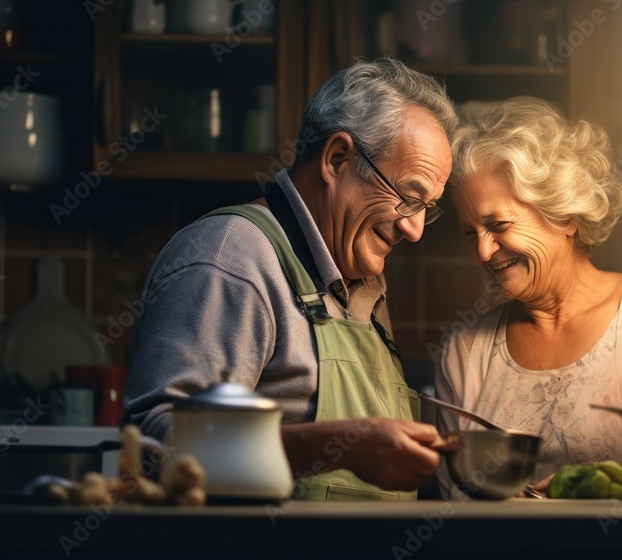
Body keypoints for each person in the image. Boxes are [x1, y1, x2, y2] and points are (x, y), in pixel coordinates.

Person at [123, 58, 458, 501]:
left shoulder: (361, 281)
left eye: (427, 209)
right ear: (337, 159)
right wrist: (340, 446)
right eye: (409, 197)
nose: (414, 230)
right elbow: (153, 446)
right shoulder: (233, 257)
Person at [434, 96, 622, 499]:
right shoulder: (464, 351)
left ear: (566, 216)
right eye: (471, 233)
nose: (483, 252)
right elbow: (454, 508)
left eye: (499, 224)